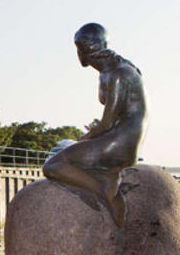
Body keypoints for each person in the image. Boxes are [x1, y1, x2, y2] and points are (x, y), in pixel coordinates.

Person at [42, 23, 147, 228]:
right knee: (70, 152)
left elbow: (107, 123)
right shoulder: (120, 68)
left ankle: (104, 190)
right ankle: (107, 175)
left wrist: (81, 141)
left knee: (52, 165)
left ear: (83, 50)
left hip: (120, 143)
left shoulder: (116, 74)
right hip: (125, 139)